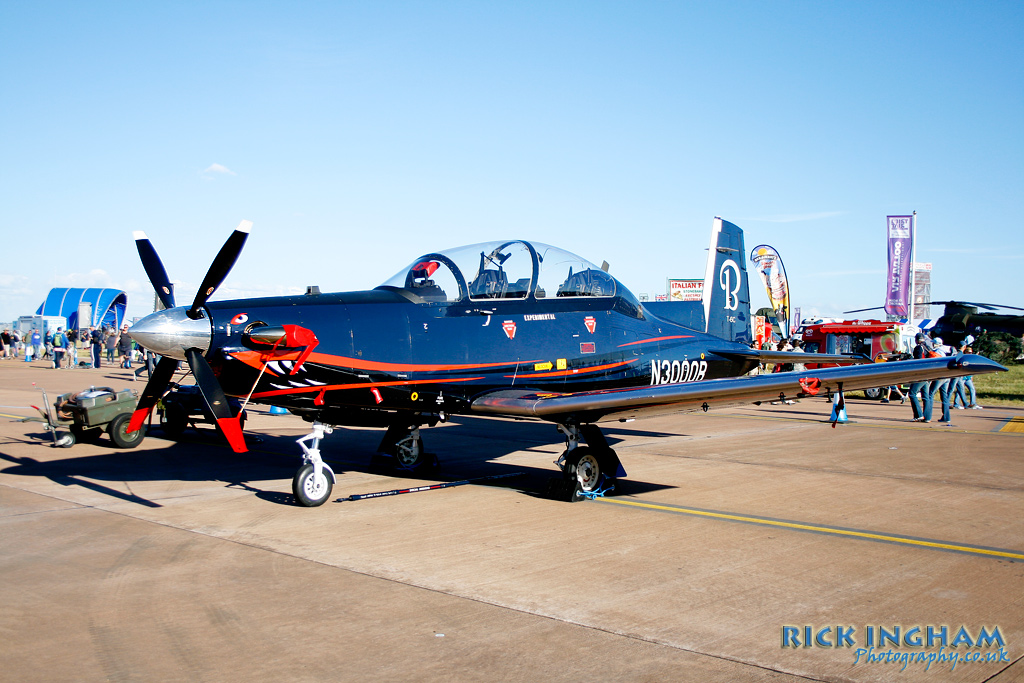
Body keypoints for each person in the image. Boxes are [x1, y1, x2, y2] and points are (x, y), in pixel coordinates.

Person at [908, 333, 934, 422]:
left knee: (912, 393)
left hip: (921, 374)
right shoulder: (928, 347)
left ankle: (918, 415)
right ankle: (927, 417)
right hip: (928, 374)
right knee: (926, 396)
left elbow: (918, 361)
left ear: (916, 339)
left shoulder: (919, 348)